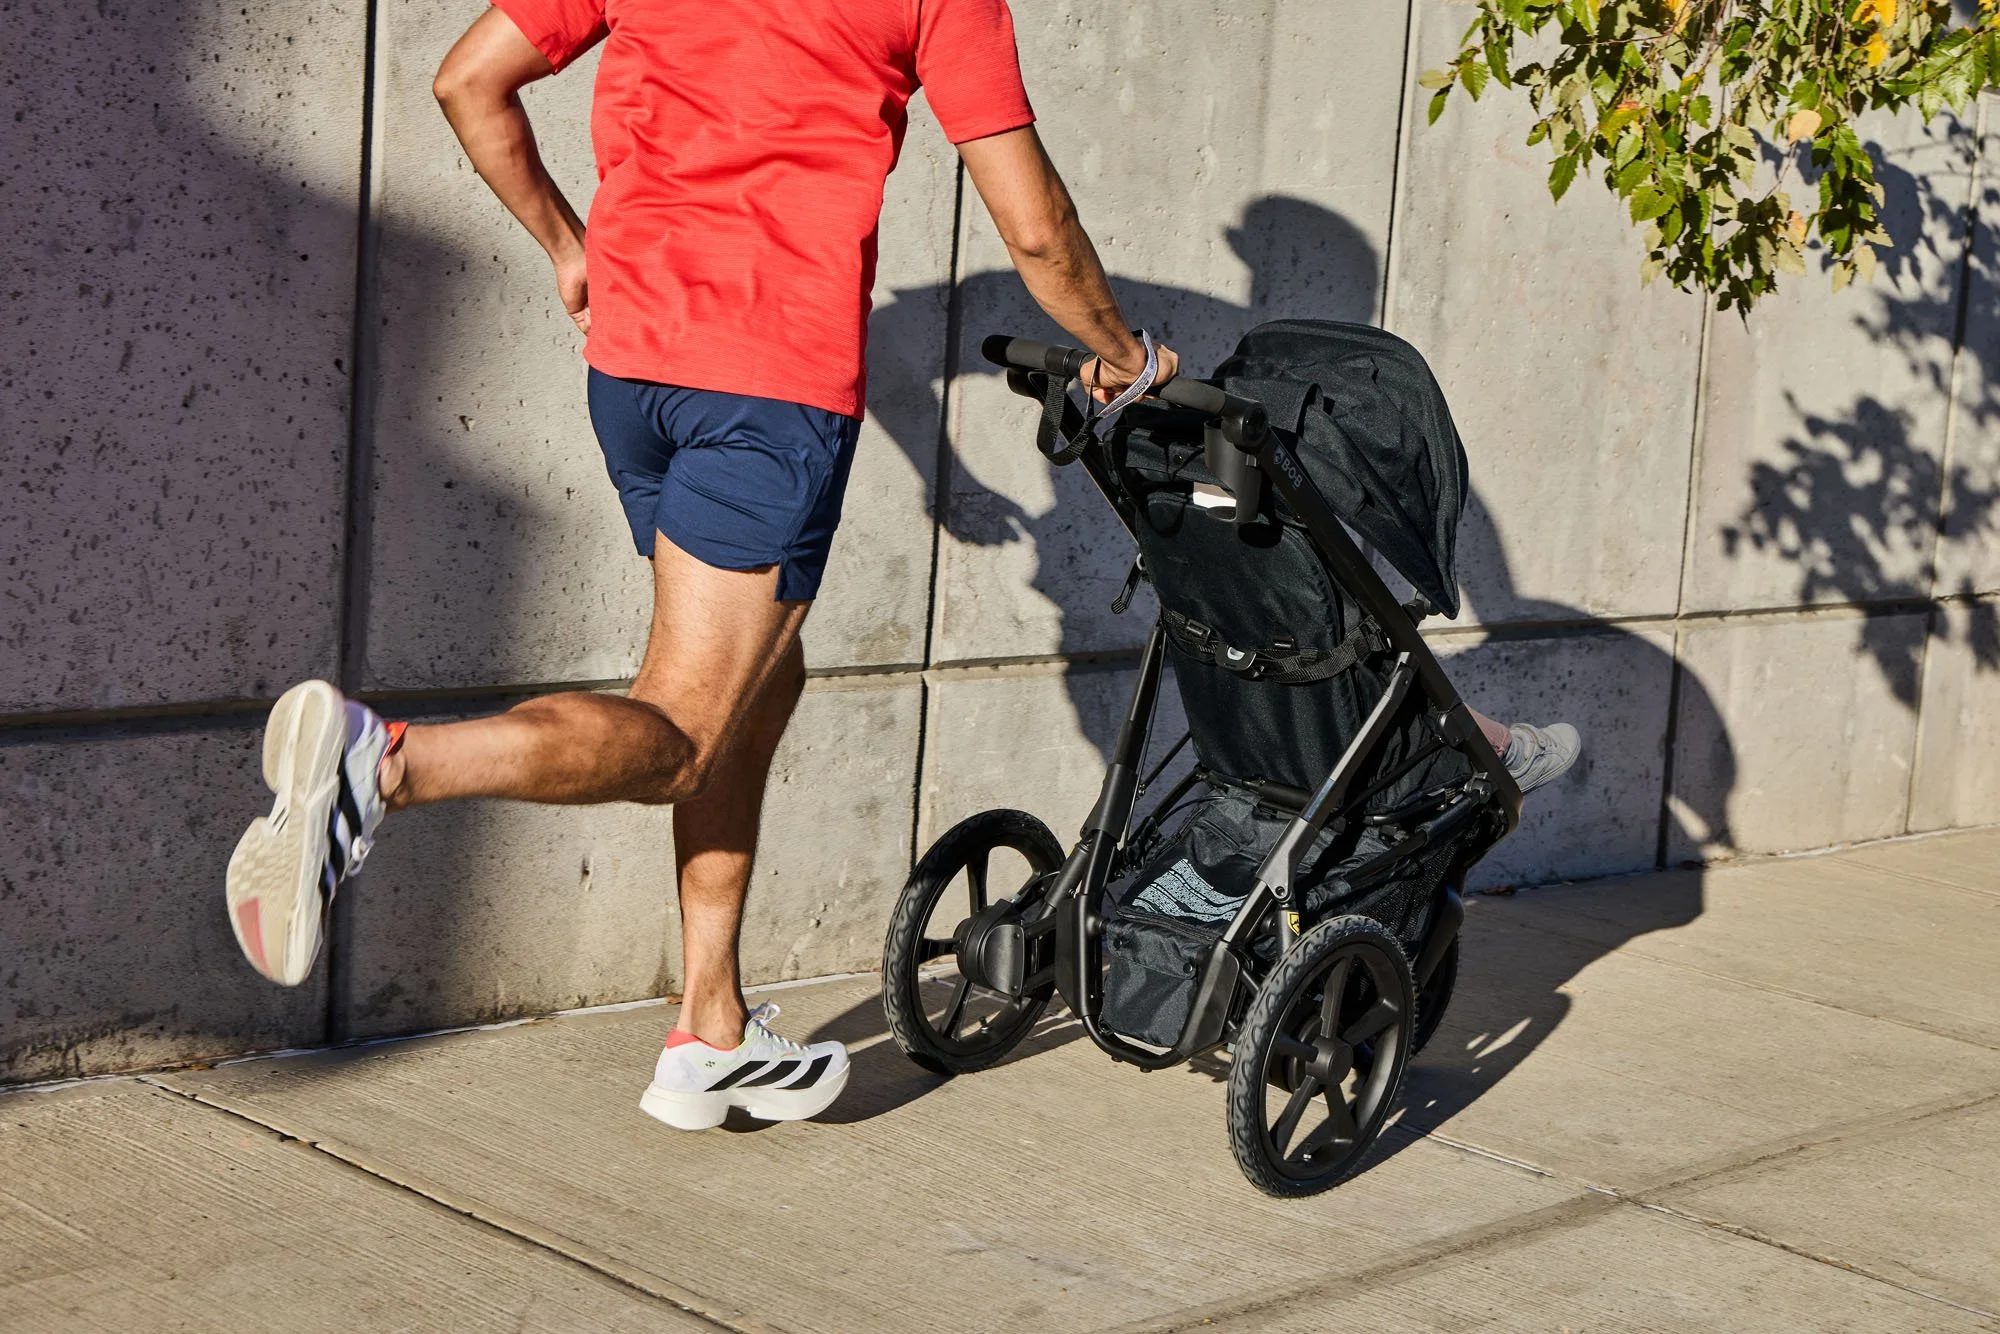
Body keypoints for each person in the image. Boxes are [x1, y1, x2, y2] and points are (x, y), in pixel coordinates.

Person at [221, 0, 1576, 1131]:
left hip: (635, 371)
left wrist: (573, 250)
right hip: (764, 392)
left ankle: (708, 1028)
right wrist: (1122, 355)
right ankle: (385, 765)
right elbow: (1032, 228)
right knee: (683, 731)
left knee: (761, 679)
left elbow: (469, 82)